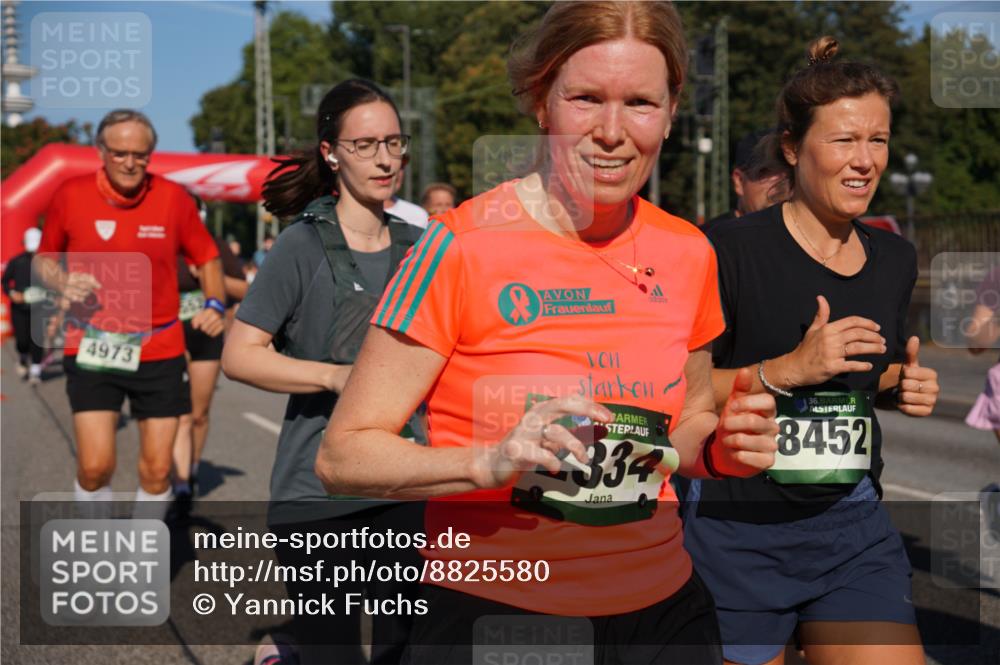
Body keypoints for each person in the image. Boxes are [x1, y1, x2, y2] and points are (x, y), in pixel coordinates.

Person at [315, 3, 779, 664]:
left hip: (664, 611)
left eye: (641, 102)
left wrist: (724, 450)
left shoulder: (689, 253)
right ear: (541, 101)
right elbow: (342, 457)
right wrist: (492, 460)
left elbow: (690, 423)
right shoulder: (458, 245)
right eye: (585, 98)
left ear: (673, 111)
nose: (612, 132)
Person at [683, 37, 939, 665]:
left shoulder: (895, 258)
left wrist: (898, 386)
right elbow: (677, 390)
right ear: (794, 149)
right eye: (844, 140)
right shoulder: (725, 250)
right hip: (737, 529)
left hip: (850, 524)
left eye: (877, 140)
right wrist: (787, 370)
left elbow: (853, 381)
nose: (865, 161)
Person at [221, 79, 425, 665]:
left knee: (406, 650)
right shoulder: (301, 246)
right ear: (331, 153)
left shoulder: (426, 246)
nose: (386, 159)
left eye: (394, 142)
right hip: (319, 494)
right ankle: (288, 651)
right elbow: (241, 354)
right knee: (334, 653)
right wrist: (335, 378)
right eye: (365, 145)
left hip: (408, 484)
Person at [35, 109, 225, 519]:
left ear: (151, 155)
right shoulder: (70, 194)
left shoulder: (173, 198)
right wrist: (62, 282)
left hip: (160, 347)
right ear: (101, 150)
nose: (130, 163)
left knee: (157, 471)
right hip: (93, 343)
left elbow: (208, 257)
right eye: (119, 152)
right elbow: (45, 260)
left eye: (140, 155)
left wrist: (214, 303)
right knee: (94, 467)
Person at [170, 194, 248, 513]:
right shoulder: (162, 243)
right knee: (180, 413)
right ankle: (178, 482)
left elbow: (245, 290)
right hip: (169, 335)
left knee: (199, 413)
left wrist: (209, 275)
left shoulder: (215, 246)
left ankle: (192, 468)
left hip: (207, 335)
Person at [702, 128, 790, 230]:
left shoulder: (805, 239)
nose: (780, 183)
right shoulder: (707, 240)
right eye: (766, 172)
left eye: (789, 173)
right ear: (739, 181)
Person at [3, 227, 47, 384]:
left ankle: (36, 370)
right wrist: (13, 294)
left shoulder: (48, 263)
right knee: (22, 339)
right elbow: (5, 281)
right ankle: (22, 356)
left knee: (37, 339)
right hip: (20, 309)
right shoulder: (17, 261)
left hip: (39, 309)